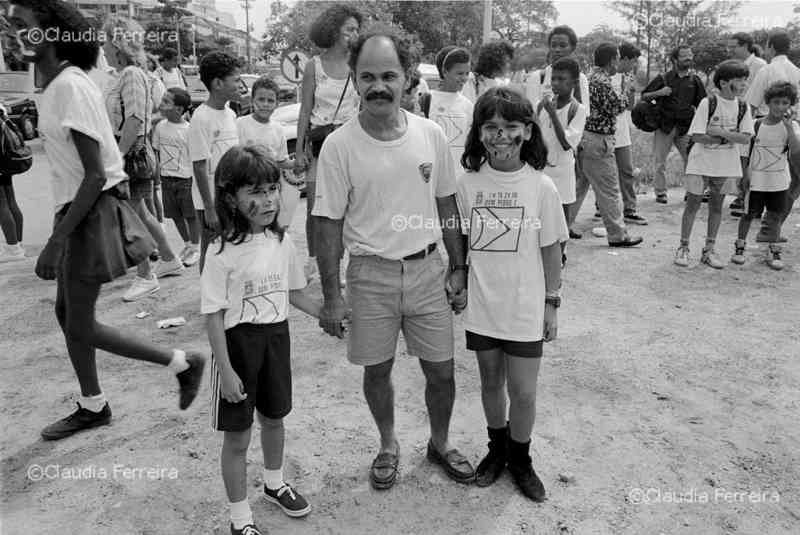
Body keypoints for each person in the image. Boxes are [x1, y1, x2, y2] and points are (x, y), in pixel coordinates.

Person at [7, 0, 205, 440]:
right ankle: (93, 403)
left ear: (53, 33)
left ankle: (181, 362)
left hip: (90, 212)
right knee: (67, 313)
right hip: (79, 208)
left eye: (24, 25)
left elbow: (96, 174)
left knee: (78, 321)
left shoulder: (69, 88)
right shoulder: (57, 84)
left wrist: (56, 240)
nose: (15, 33)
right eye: (11, 25)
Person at [312, 30, 475, 490]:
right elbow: (327, 223)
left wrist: (458, 267)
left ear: (406, 78)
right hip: (369, 275)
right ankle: (388, 445)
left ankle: (439, 443)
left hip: (428, 271)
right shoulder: (339, 146)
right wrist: (331, 297)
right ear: (354, 79)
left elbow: (447, 205)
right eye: (367, 76)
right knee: (376, 370)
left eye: (388, 75)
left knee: (441, 370)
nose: (377, 86)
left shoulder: (431, 135)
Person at [202, 146, 321, 535]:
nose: (267, 199)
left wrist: (332, 314)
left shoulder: (282, 241)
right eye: (254, 192)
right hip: (239, 347)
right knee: (238, 438)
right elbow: (214, 316)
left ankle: (274, 484)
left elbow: (295, 293)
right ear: (230, 197)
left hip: (276, 340)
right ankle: (240, 519)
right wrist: (227, 370)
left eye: (272, 189)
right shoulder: (220, 252)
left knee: (275, 420)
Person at [456, 87, 567, 502]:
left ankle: (521, 458)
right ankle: (497, 450)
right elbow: (461, 243)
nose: (500, 136)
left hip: (524, 309)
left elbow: (551, 249)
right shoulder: (466, 184)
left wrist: (551, 303)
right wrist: (459, 279)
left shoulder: (542, 188)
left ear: (527, 132)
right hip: (483, 307)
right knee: (490, 383)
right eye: (491, 127)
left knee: (523, 392)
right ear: (479, 132)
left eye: (510, 127)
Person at [102, 16, 185, 301]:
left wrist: (116, 158)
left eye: (105, 39)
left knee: (129, 218)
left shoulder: (131, 75)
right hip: (132, 154)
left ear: (117, 43)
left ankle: (145, 275)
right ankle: (169, 258)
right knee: (141, 213)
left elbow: (135, 120)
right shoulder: (127, 74)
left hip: (131, 155)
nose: (102, 47)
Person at [295, 4, 361, 261]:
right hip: (321, 146)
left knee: (348, 208)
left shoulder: (358, 66)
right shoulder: (314, 66)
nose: (354, 35)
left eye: (357, 30)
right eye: (349, 30)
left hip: (351, 145)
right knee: (315, 208)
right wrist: (299, 152)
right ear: (334, 31)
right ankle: (314, 260)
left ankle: (342, 261)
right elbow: (304, 111)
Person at [674, 60, 753, 269]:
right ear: (725, 82)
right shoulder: (708, 103)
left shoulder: (743, 106)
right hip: (701, 164)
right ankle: (683, 247)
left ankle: (709, 250)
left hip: (725, 166)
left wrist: (719, 133)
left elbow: (746, 138)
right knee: (693, 205)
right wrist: (728, 138)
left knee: (717, 207)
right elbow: (698, 136)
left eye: (745, 80)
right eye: (739, 80)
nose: (744, 84)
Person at [571, 43, 642, 247]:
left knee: (580, 186)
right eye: (618, 58)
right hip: (599, 140)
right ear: (612, 60)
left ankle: (564, 224)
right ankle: (618, 235)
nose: (619, 62)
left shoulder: (590, 77)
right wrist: (627, 90)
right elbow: (617, 107)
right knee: (609, 189)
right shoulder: (602, 82)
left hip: (587, 137)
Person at [732, 82, 799, 270]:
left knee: (776, 215)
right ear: (768, 102)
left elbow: (794, 151)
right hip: (756, 180)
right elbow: (745, 152)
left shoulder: (791, 126)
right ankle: (740, 246)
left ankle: (773, 249)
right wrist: (743, 174)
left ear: (791, 105)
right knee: (748, 214)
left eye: (785, 103)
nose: (780, 107)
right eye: (776, 102)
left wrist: (789, 128)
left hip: (779, 181)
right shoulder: (756, 124)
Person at [188, 50, 241, 271]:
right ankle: (210, 300)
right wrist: (209, 208)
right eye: (236, 80)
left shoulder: (230, 113)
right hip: (211, 200)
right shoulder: (201, 118)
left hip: (231, 196)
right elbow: (199, 166)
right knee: (211, 249)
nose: (240, 84)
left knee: (231, 247)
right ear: (218, 83)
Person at [745, 31, 800, 242]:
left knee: (768, 177)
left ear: (770, 46)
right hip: (794, 129)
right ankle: (771, 228)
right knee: (792, 183)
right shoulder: (797, 72)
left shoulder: (767, 71)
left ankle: (768, 228)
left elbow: (751, 104)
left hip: (767, 128)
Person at [536, 56, 587, 264]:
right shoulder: (543, 105)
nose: (556, 83)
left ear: (573, 83)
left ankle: (560, 254)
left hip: (563, 170)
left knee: (563, 213)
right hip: (542, 168)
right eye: (553, 79)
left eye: (561, 79)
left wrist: (553, 113)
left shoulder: (577, 110)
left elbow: (567, 143)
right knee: (540, 210)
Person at [237, 76, 304, 229]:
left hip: (270, 191)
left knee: (270, 229)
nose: (265, 105)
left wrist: (298, 163)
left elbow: (281, 161)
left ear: (277, 104)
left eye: (270, 101)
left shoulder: (278, 129)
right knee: (248, 228)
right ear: (252, 100)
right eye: (261, 99)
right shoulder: (240, 124)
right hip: (247, 190)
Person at [641, 45, 707, 204]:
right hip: (665, 126)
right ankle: (661, 192)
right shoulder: (663, 78)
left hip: (686, 127)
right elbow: (644, 96)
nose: (688, 58)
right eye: (684, 56)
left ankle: (691, 191)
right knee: (660, 161)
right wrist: (659, 93)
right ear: (675, 60)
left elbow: (703, 104)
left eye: (690, 55)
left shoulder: (695, 80)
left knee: (692, 159)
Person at [152, 87, 201, 267]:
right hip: (166, 179)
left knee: (190, 215)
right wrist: (157, 178)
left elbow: (196, 158)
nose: (161, 105)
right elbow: (156, 153)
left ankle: (195, 248)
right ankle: (187, 244)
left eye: (166, 102)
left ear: (179, 109)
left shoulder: (189, 130)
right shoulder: (159, 127)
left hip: (186, 180)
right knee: (175, 215)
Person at [726, 32, 766, 217]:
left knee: (749, 159)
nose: (730, 50)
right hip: (738, 115)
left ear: (745, 46)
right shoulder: (735, 66)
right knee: (740, 158)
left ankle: (748, 198)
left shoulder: (760, 66)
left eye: (734, 46)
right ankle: (741, 195)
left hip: (754, 116)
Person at [420, 46, 473, 170]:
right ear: (444, 72)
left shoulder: (468, 106)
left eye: (467, 73)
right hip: (432, 176)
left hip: (459, 176)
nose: (464, 78)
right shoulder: (426, 100)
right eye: (460, 73)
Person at [613, 42, 647, 225]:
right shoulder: (607, 76)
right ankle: (601, 207)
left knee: (626, 171)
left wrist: (632, 90)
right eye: (632, 61)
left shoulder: (628, 77)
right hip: (606, 131)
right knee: (606, 173)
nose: (633, 65)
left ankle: (630, 209)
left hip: (622, 132)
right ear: (623, 58)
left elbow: (630, 106)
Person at [524, 25, 589, 112]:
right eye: (553, 45)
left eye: (563, 46)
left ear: (572, 48)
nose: (557, 50)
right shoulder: (537, 77)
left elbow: (584, 114)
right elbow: (531, 113)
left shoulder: (581, 79)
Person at [0, 105, 25, 262]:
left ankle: (13, 249)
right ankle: (18, 245)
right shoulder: (1, 109)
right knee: (10, 201)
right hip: (6, 161)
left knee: (2, 204)